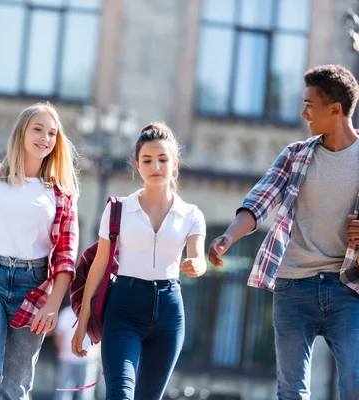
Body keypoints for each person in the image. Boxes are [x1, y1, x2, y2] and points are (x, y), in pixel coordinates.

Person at [208, 64, 359, 400]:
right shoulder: (295, 155)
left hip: (348, 289)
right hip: (293, 286)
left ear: (335, 109)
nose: (303, 113)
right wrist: (229, 236)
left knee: (355, 383)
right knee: (291, 390)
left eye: (309, 104)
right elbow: (259, 201)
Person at [0, 102, 80, 400]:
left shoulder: (61, 195)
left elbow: (65, 257)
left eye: (52, 133)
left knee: (15, 386)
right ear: (21, 132)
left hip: (32, 289)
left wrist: (53, 304)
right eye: (38, 129)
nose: (45, 138)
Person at [72, 122, 207, 400]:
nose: (155, 166)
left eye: (162, 159)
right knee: (120, 394)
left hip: (169, 311)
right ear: (137, 164)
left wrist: (196, 265)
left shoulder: (191, 214)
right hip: (123, 308)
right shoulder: (118, 209)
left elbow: (198, 255)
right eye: (147, 160)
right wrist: (83, 320)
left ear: (175, 162)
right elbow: (99, 265)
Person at [54, 305, 100, 400]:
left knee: (86, 393)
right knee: (64, 390)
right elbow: (58, 334)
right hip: (67, 358)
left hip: (89, 359)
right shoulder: (66, 312)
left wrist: (97, 353)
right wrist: (63, 350)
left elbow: (100, 336)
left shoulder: (95, 313)